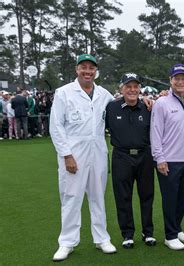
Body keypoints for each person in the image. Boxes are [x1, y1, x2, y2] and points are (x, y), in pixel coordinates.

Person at [49, 54, 117, 261]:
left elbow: (120, 108)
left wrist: (147, 101)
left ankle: (102, 238)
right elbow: (56, 126)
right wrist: (66, 155)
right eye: (83, 67)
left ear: (96, 71)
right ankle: (67, 242)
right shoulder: (64, 93)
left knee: (98, 196)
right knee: (71, 197)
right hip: (74, 151)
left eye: (91, 68)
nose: (88, 71)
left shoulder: (104, 94)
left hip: (98, 150)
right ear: (77, 69)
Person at [105, 73, 156, 249]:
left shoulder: (148, 107)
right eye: (129, 86)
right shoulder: (111, 108)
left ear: (140, 89)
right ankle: (127, 234)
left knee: (147, 195)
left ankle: (148, 232)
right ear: (122, 89)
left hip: (144, 156)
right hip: (121, 156)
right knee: (123, 196)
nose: (132, 90)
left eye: (136, 86)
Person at [150, 64, 184, 251]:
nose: (180, 81)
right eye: (176, 78)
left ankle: (176, 229)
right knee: (170, 199)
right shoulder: (161, 103)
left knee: (181, 198)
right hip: (168, 161)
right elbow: (155, 132)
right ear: (170, 80)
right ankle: (169, 236)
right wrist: (159, 158)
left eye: (183, 78)